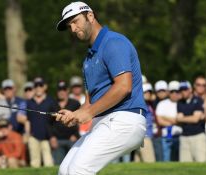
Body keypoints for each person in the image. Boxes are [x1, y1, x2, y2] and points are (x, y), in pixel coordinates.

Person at [56, 2, 147, 174]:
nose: (73, 29)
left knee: (78, 170)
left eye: (75, 21)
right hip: (104, 121)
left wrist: (88, 113)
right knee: (65, 169)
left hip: (126, 118)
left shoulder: (113, 42)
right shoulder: (88, 59)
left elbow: (124, 87)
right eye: (70, 26)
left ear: (90, 16)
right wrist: (74, 115)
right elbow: (89, 103)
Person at [26, 77, 59, 168]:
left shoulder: (51, 101)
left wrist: (53, 136)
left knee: (49, 164)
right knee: (34, 164)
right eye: (36, 85)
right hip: (33, 137)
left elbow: (56, 121)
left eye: (40, 85)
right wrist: (27, 134)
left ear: (45, 87)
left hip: (47, 138)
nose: (38, 88)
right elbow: (28, 120)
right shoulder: (30, 102)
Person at [50, 81, 80, 165]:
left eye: (63, 89)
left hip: (72, 139)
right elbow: (48, 123)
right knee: (59, 165)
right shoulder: (52, 104)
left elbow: (80, 121)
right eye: (59, 90)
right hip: (57, 140)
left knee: (73, 164)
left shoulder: (75, 104)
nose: (61, 92)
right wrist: (52, 137)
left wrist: (76, 135)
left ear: (67, 91)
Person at [176, 81, 206, 162]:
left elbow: (195, 119)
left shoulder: (198, 100)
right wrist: (190, 118)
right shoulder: (180, 102)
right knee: (184, 165)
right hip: (184, 136)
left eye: (185, 89)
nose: (183, 92)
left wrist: (182, 118)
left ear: (190, 89)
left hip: (198, 136)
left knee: (201, 163)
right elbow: (179, 119)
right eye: (181, 90)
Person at [155, 81, 182, 161]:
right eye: (172, 91)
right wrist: (176, 121)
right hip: (166, 137)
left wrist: (165, 117)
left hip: (179, 137)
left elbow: (182, 120)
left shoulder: (182, 104)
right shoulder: (162, 104)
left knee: (179, 162)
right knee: (166, 162)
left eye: (177, 91)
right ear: (168, 93)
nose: (174, 94)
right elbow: (159, 120)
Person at [134, 83, 156, 163]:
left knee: (138, 166)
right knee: (150, 163)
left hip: (142, 137)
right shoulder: (141, 105)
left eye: (149, 92)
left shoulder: (148, 104)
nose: (148, 94)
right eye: (146, 92)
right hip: (144, 137)